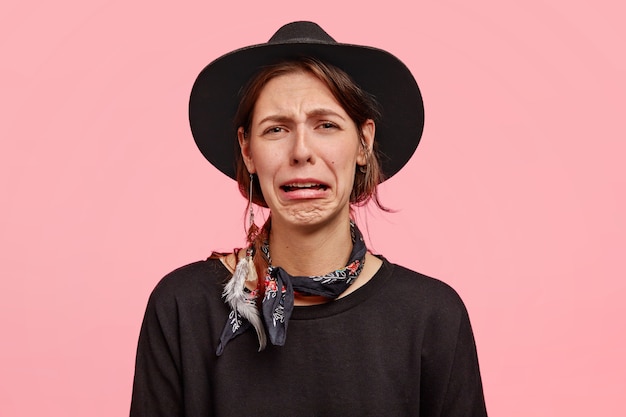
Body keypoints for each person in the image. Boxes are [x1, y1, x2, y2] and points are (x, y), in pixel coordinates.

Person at [130, 21, 487, 417]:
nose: (301, 151)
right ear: (248, 151)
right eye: (276, 129)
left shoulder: (432, 316)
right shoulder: (182, 307)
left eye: (326, 125)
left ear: (363, 143)